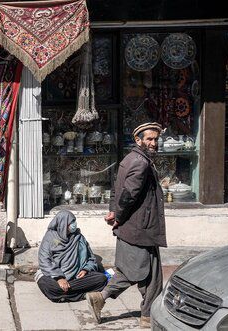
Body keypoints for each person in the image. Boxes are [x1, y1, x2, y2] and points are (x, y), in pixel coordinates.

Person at [86, 122, 166, 328]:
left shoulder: (130, 159)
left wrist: (114, 211)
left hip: (136, 227)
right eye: (149, 139)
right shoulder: (141, 162)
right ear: (138, 140)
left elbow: (116, 189)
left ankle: (147, 315)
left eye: (155, 139)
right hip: (140, 228)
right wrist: (118, 216)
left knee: (146, 273)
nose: (153, 143)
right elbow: (128, 194)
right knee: (141, 273)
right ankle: (101, 298)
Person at [35, 210, 107, 303]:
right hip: (55, 276)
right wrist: (59, 278)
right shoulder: (50, 237)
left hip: (77, 277)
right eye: (71, 222)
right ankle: (81, 294)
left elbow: (91, 258)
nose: (74, 224)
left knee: (102, 279)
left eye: (74, 221)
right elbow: (44, 260)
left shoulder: (78, 237)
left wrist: (85, 269)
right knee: (47, 285)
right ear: (63, 224)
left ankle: (65, 294)